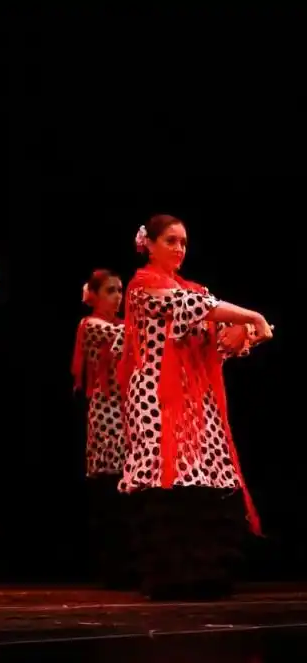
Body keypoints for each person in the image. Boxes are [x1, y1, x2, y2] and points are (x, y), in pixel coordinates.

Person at [117, 214, 273, 600]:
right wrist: (252, 316)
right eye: (170, 240)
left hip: (193, 402)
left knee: (202, 476)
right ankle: (171, 576)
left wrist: (242, 333)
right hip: (157, 398)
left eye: (183, 242)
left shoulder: (193, 287)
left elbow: (213, 330)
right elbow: (196, 307)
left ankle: (205, 573)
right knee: (164, 478)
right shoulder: (142, 286)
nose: (179, 248)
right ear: (148, 244)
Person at [71, 268, 132, 587]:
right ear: (93, 295)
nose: (118, 296)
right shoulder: (92, 325)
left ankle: (128, 564)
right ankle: (112, 568)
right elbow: (127, 344)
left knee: (127, 495)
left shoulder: (123, 327)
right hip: (107, 415)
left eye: (120, 290)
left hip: (127, 415)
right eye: (110, 290)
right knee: (110, 491)